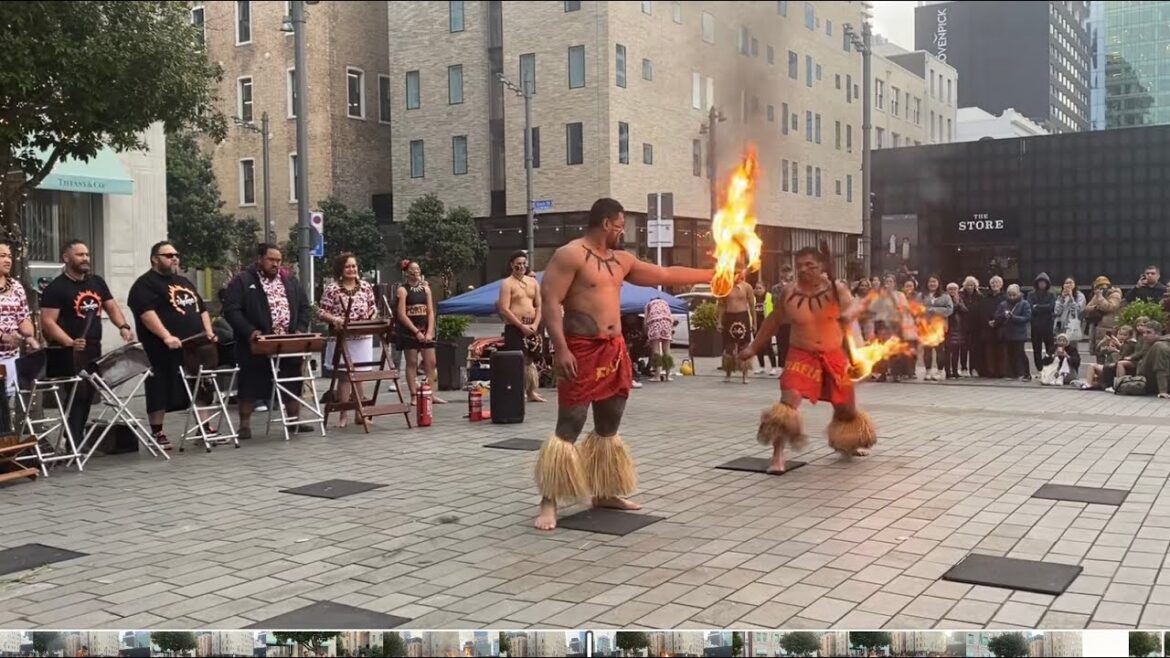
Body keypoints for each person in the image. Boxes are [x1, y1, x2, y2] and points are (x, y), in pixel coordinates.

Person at [533, 197, 713, 530]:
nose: (621, 232)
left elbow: (664, 273)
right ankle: (549, 501)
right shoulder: (570, 254)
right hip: (580, 347)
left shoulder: (622, 261)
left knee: (609, 423)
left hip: (614, 350)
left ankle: (604, 491)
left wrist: (714, 272)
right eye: (619, 226)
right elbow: (549, 300)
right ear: (606, 223)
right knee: (570, 422)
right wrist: (560, 349)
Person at [739, 247, 875, 474]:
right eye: (799, 265)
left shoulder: (837, 290)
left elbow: (853, 316)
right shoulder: (788, 293)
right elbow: (772, 322)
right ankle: (778, 455)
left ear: (821, 267)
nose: (803, 270)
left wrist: (858, 348)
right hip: (800, 356)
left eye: (810, 265)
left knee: (845, 407)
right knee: (787, 405)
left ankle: (846, 442)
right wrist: (754, 347)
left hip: (833, 355)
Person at [40, 239, 135, 445]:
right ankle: (73, 439)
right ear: (66, 258)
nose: (86, 259)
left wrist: (124, 327)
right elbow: (47, 322)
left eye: (87, 255)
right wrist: (69, 342)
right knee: (76, 394)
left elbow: (111, 307)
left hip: (93, 347)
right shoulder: (56, 288)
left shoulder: (97, 282)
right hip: (68, 351)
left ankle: (77, 437)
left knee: (88, 394)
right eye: (80, 255)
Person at [127, 241, 219, 447]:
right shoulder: (144, 284)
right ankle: (157, 432)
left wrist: (209, 332)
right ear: (155, 259)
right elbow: (146, 314)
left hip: (195, 346)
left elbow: (201, 308)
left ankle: (203, 427)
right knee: (159, 386)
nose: (175, 258)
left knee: (201, 384)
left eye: (176, 254)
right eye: (169, 255)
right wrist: (166, 336)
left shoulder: (184, 282)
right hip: (162, 348)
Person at [222, 243, 312, 439]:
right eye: (271, 259)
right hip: (257, 342)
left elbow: (305, 307)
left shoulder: (289, 280)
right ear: (260, 259)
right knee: (250, 381)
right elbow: (231, 310)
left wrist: (300, 329)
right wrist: (249, 331)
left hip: (287, 341)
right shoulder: (243, 281)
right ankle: (244, 425)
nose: (275, 264)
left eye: (278, 260)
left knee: (292, 379)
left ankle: (294, 421)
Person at [319, 252, 379, 427]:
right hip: (342, 337)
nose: (351, 269)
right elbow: (322, 312)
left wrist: (371, 317)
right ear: (341, 269)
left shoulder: (366, 287)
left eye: (353, 266)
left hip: (362, 336)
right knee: (345, 376)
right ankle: (343, 415)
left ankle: (361, 414)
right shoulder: (332, 289)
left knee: (360, 375)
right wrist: (335, 320)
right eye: (347, 266)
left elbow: (373, 308)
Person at [497, 250, 545, 402]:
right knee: (518, 359)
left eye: (524, 264)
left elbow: (539, 305)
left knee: (531, 359)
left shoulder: (533, 282)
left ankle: (531, 392)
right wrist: (520, 326)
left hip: (532, 325)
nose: (522, 267)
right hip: (515, 326)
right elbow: (504, 308)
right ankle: (518, 390)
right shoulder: (507, 283)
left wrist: (536, 323)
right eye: (518, 264)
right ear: (512, 265)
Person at [395, 260, 446, 405]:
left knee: (431, 362)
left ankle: (430, 393)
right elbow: (401, 314)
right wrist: (416, 332)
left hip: (425, 328)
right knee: (411, 362)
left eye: (418, 269)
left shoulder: (426, 289)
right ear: (407, 272)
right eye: (412, 269)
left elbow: (430, 311)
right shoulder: (403, 290)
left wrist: (430, 331)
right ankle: (413, 395)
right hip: (409, 331)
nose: (416, 272)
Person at [0, 242, 40, 400]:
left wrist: (29, 337)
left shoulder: (16, 287)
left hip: (10, 357)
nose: (8, 260)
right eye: (2, 256)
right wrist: (4, 336)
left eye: (9, 256)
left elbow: (23, 317)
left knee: (6, 405)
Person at [718, 275, 756, 384]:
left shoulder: (747, 287)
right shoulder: (725, 287)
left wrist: (754, 323)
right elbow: (721, 305)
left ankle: (745, 375)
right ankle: (728, 373)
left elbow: (752, 306)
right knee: (728, 347)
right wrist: (719, 321)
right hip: (729, 317)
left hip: (742, 316)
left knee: (744, 346)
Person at [993, 283, 1033, 381]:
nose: (1011, 297)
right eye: (1009, 295)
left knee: (1020, 353)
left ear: (1019, 294)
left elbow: (1027, 318)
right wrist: (1003, 315)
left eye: (1014, 295)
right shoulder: (1003, 304)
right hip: (1007, 333)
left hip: (1019, 333)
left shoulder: (1024, 304)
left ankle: (1026, 374)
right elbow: (996, 316)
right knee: (1009, 354)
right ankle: (1012, 374)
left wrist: (1013, 317)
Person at [1085, 276, 1124, 364]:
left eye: (1103, 285)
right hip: (1097, 327)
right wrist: (1096, 307)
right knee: (1099, 353)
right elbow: (1087, 308)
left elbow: (1110, 307)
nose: (1101, 288)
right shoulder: (1097, 295)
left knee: (1109, 353)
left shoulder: (1115, 294)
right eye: (1099, 286)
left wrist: (1100, 298)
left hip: (1109, 327)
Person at [922, 275, 953, 381]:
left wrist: (935, 310)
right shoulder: (922, 295)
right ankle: (928, 371)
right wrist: (926, 311)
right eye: (930, 282)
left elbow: (949, 310)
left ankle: (940, 371)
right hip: (926, 327)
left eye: (934, 282)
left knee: (940, 350)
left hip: (940, 328)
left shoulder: (945, 296)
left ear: (938, 283)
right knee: (927, 350)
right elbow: (917, 308)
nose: (932, 284)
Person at [1027, 273, 1056, 371]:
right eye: (1040, 282)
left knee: (1050, 347)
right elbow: (1031, 307)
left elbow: (1051, 307)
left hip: (1048, 325)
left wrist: (1038, 306)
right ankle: (1039, 368)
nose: (1042, 284)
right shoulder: (1031, 294)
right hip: (1035, 325)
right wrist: (1044, 307)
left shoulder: (1051, 294)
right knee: (1036, 348)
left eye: (1044, 282)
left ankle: (1049, 367)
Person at [643, 297, 675, 381]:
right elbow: (670, 317)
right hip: (667, 323)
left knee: (656, 351)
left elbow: (646, 319)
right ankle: (668, 376)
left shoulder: (649, 304)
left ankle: (657, 376)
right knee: (667, 351)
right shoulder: (665, 303)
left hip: (654, 324)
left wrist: (646, 332)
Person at [752, 281, 778, 376]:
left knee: (768, 346)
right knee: (758, 347)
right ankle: (761, 366)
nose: (758, 290)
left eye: (760, 288)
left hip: (766, 325)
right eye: (756, 288)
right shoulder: (753, 298)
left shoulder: (769, 297)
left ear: (764, 288)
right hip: (757, 325)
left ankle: (774, 367)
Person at [959, 276, 982, 376]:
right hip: (963, 325)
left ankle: (974, 368)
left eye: (972, 285)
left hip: (976, 326)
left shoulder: (979, 296)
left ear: (975, 286)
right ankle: (964, 368)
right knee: (963, 348)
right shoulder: (960, 296)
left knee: (974, 349)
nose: (970, 287)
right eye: (968, 285)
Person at [944, 282, 967, 379]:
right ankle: (948, 372)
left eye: (954, 289)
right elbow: (947, 312)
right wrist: (955, 306)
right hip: (948, 328)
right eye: (950, 289)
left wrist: (958, 304)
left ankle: (955, 371)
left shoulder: (960, 299)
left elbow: (965, 310)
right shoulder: (944, 299)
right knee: (947, 351)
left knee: (956, 351)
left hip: (958, 328)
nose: (952, 291)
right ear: (947, 290)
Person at [1054, 277, 1086, 343]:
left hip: (1073, 326)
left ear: (1075, 284)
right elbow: (1057, 311)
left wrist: (1071, 297)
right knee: (1061, 347)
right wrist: (1062, 298)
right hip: (1061, 326)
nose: (1068, 285)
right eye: (1066, 283)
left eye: (1070, 283)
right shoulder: (1060, 296)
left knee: (1072, 347)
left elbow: (1077, 311)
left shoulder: (1080, 296)